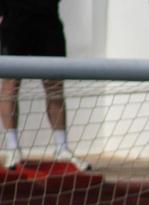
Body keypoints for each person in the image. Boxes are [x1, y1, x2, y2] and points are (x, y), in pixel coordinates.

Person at [0, 0, 89, 170]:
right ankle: (12, 149)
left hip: (48, 20)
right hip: (15, 19)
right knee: (11, 82)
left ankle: (62, 148)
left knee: (54, 84)